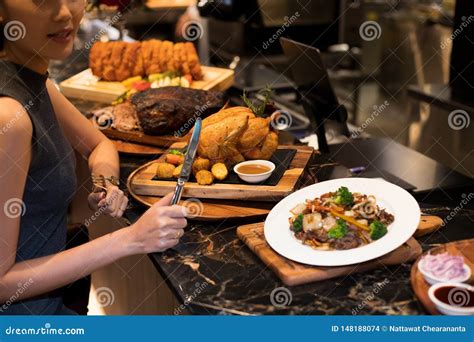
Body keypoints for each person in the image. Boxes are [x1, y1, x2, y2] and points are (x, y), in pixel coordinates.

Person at [0, 0, 187, 315]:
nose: (63, 13)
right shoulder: (10, 115)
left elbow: (99, 146)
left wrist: (105, 184)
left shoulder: (34, 81)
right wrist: (131, 239)